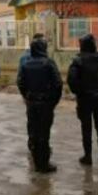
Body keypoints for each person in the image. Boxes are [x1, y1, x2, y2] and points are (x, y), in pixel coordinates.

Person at [17, 38, 63, 173]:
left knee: (34, 131)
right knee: (44, 133)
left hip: (32, 103)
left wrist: (27, 97)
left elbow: (20, 83)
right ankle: (43, 164)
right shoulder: (49, 63)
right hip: (45, 103)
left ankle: (37, 161)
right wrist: (53, 101)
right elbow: (58, 84)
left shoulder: (26, 64)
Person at [67, 34, 98, 166]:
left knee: (86, 128)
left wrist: (79, 92)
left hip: (84, 99)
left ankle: (88, 157)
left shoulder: (78, 60)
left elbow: (71, 80)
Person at [19, 33, 46, 151]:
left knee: (32, 120)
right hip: (41, 97)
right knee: (41, 121)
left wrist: (25, 94)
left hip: (31, 96)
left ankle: (33, 141)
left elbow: (20, 80)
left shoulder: (24, 58)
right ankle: (39, 143)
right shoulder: (46, 60)